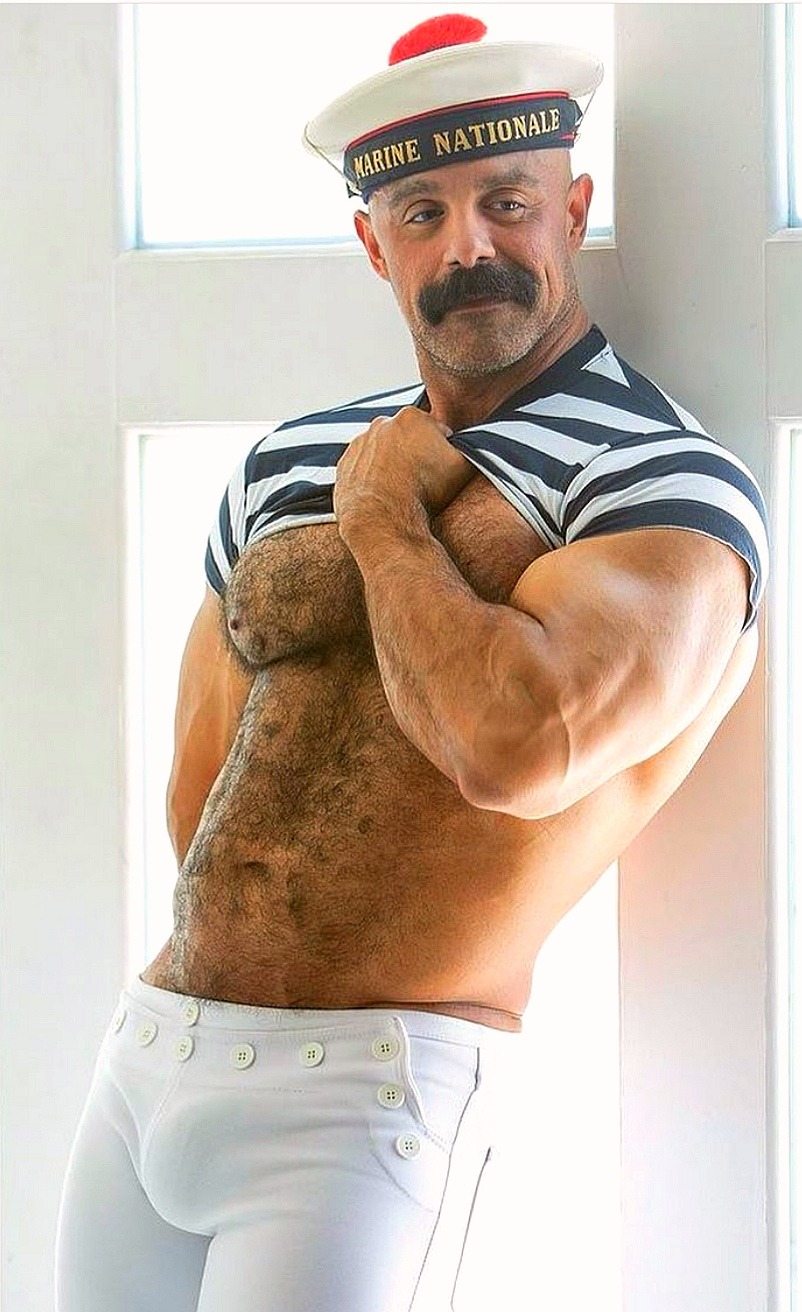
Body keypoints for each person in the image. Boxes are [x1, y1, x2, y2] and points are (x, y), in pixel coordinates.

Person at [55, 14, 770, 1312]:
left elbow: (516, 751)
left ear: (571, 210)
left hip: (366, 1102)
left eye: (507, 203)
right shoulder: (286, 460)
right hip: (152, 1058)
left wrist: (383, 516)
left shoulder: (656, 480)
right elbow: (200, 785)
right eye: (422, 215)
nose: (468, 247)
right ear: (373, 244)